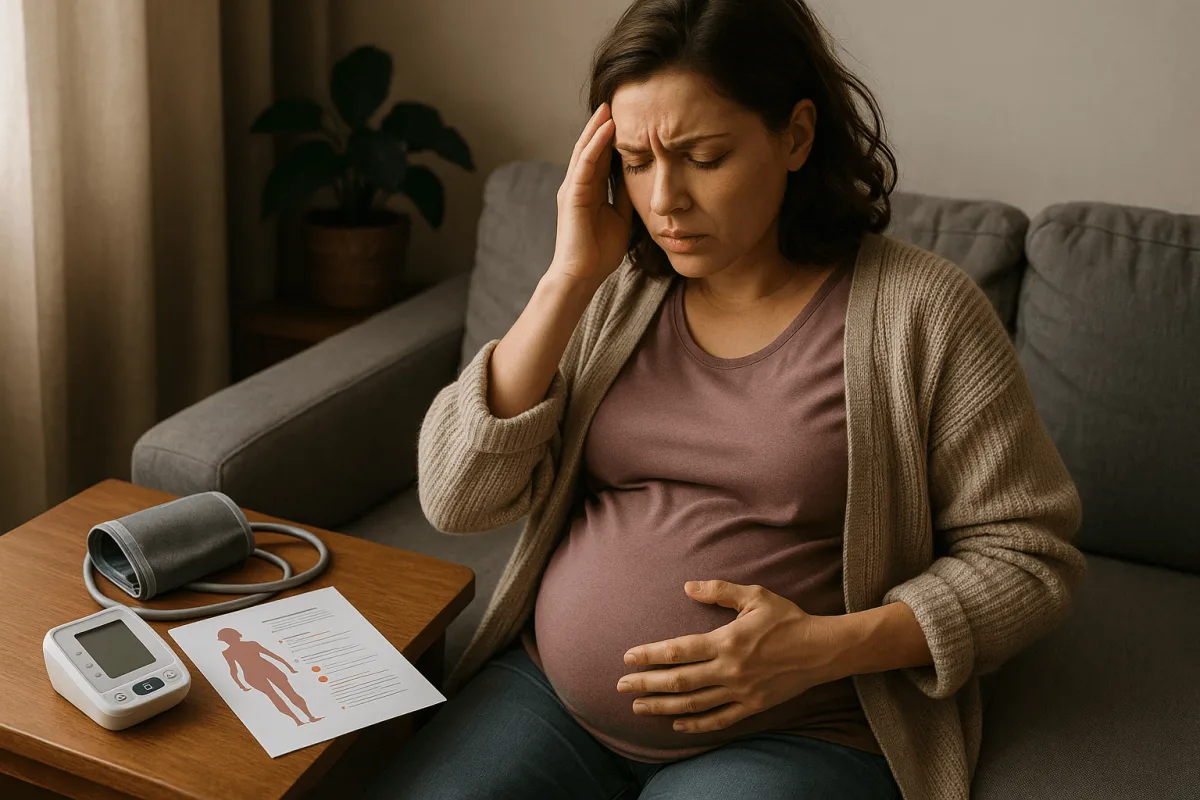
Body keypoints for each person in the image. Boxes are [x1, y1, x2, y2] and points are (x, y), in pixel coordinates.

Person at [363, 0, 1085, 797]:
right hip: (551, 701)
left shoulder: (922, 313)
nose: (664, 199)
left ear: (796, 136)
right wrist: (567, 279)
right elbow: (457, 497)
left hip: (798, 733)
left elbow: (1029, 556)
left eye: (703, 157)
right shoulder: (614, 291)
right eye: (635, 162)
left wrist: (825, 648)